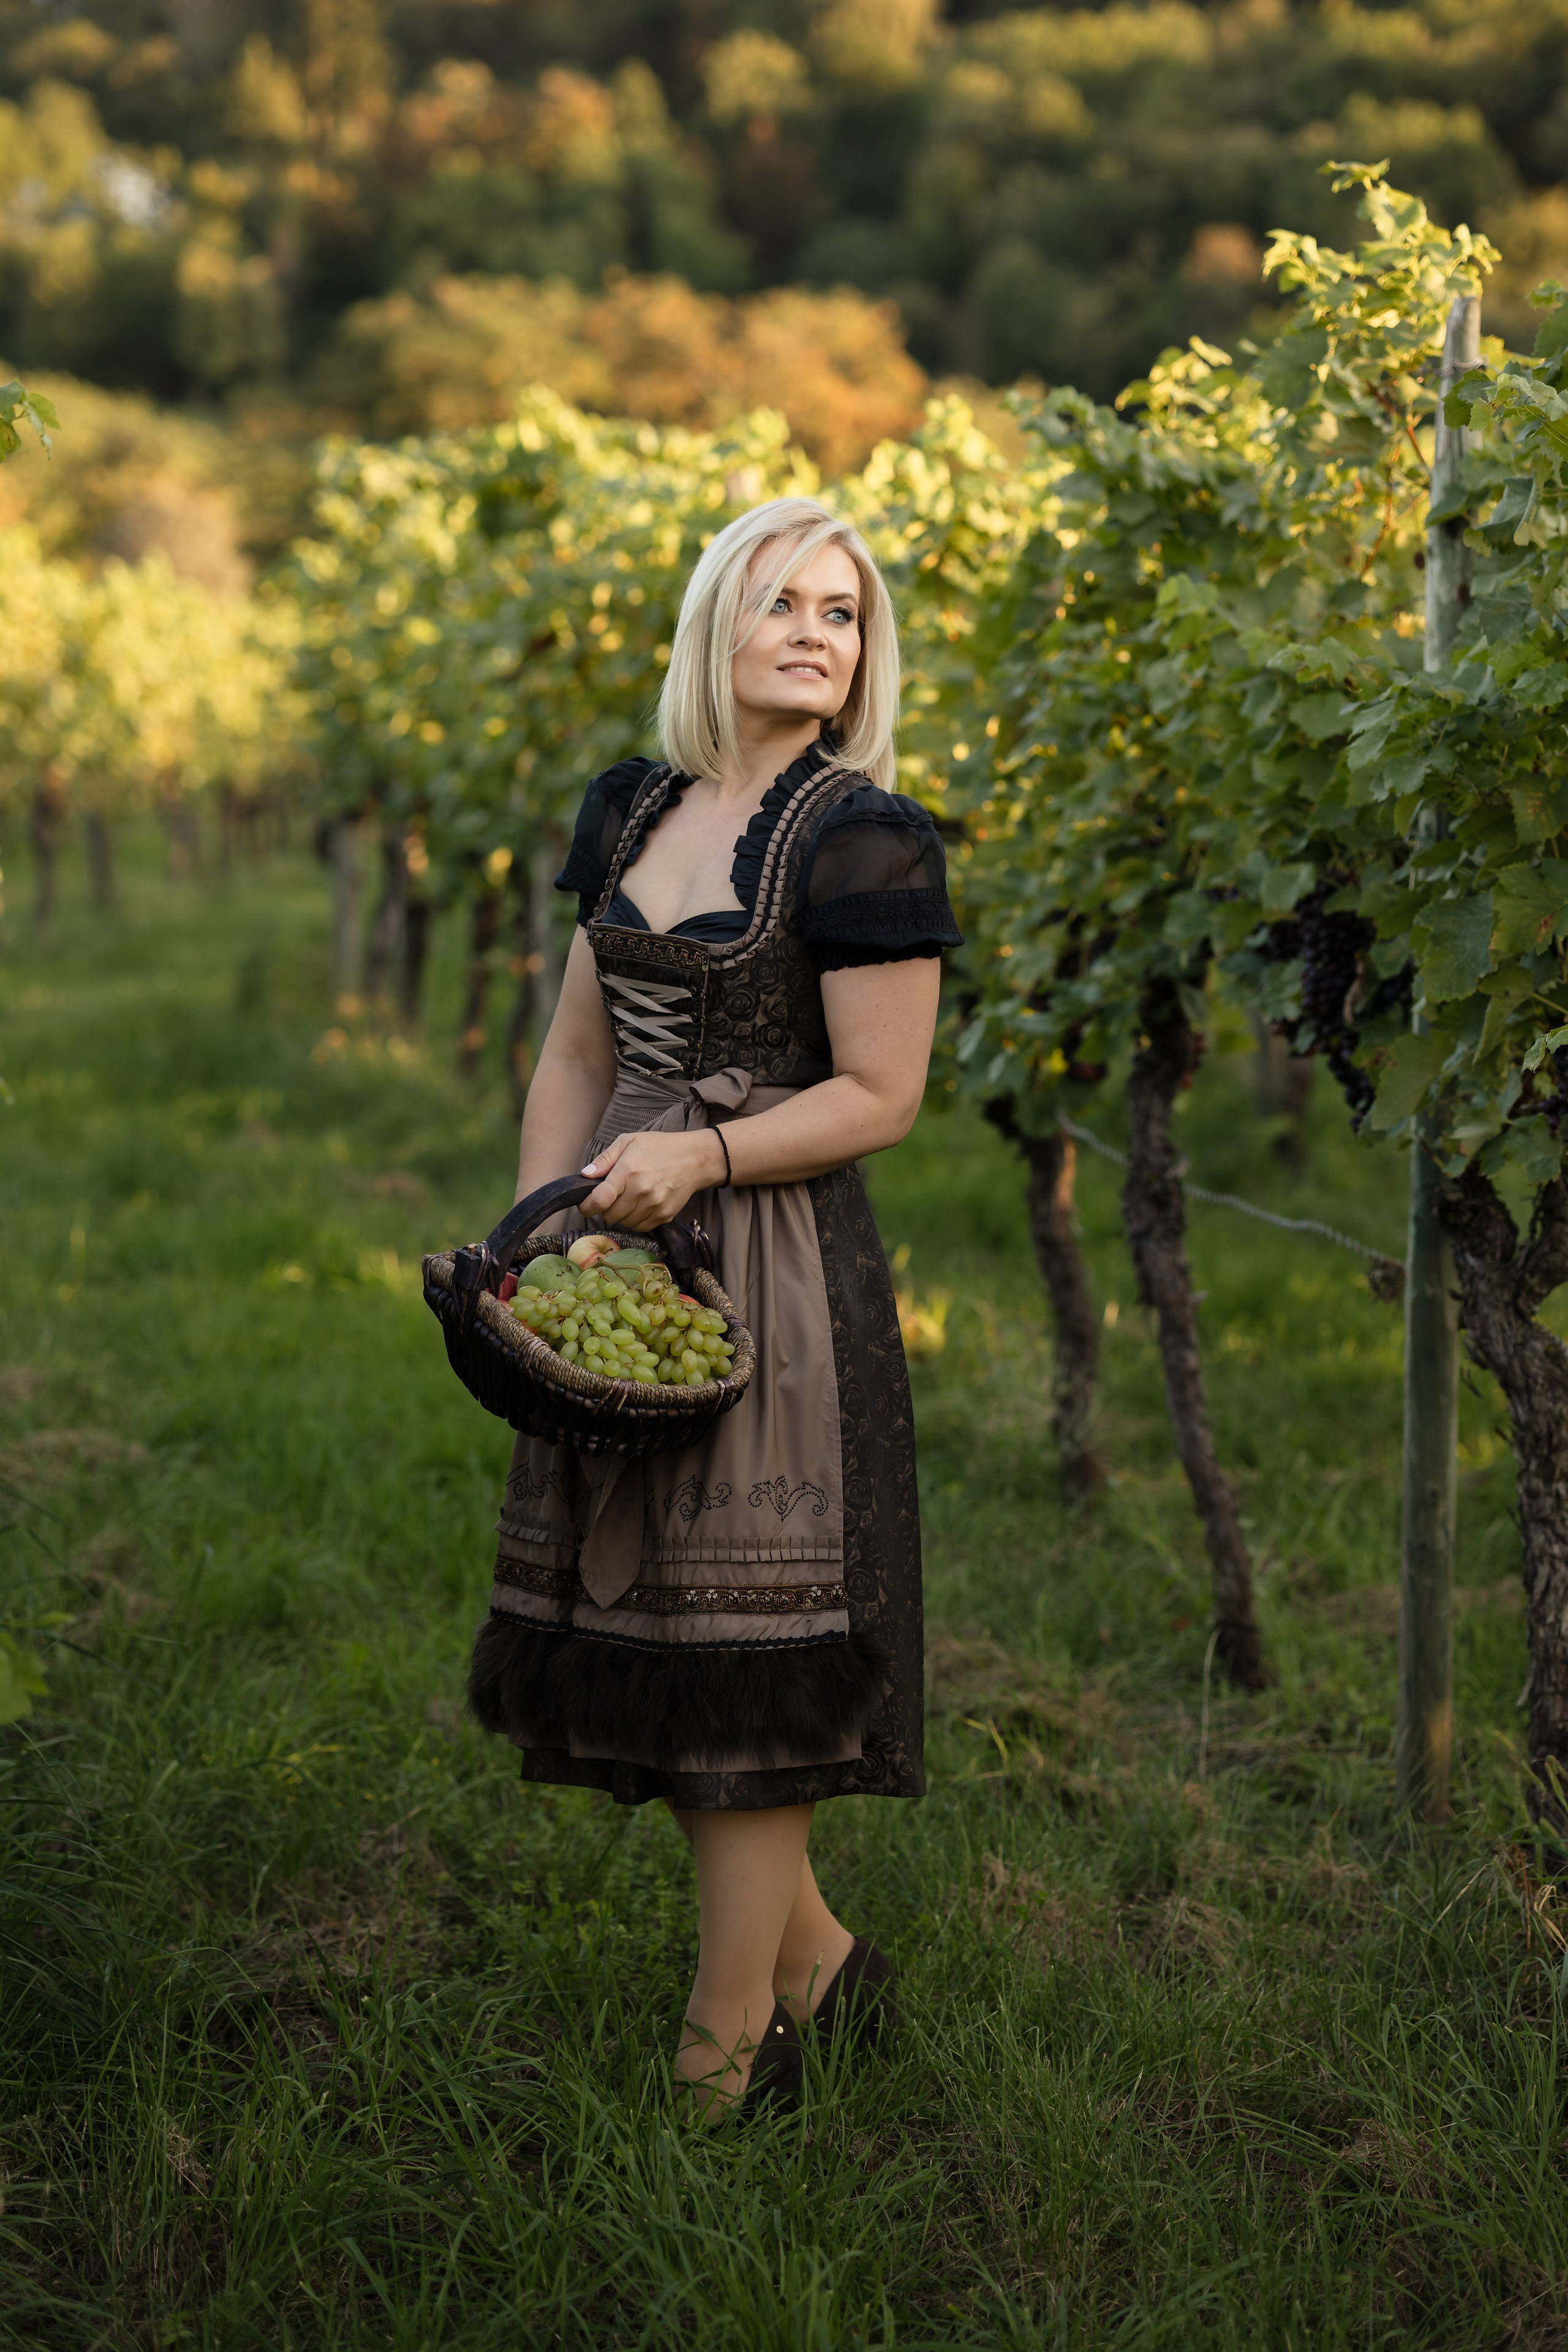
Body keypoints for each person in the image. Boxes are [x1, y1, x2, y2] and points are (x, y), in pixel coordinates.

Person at [467, 495, 960, 2116]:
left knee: (747, 1669)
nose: (822, 630)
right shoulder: (627, 815)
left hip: (773, 1276)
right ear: (716, 626)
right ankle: (822, 1967)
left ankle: (724, 2049)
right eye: (787, 602)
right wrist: (545, 1233)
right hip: (618, 1252)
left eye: (847, 611)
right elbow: (578, 1057)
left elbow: (882, 1095)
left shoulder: (864, 835)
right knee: (671, 1640)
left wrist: (710, 1158)